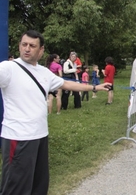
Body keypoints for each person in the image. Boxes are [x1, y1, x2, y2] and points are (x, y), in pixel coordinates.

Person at [0, 30, 111, 195]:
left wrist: (94, 87)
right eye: (24, 44)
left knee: (39, 185)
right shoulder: (8, 68)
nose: (27, 49)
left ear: (41, 50)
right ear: (19, 46)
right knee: (16, 187)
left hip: (40, 136)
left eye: (32, 45)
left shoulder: (44, 72)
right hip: (18, 137)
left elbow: (67, 84)